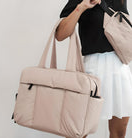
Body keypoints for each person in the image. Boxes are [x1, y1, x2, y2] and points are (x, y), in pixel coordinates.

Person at [55, 0, 132, 137]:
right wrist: (82, 7)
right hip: (93, 69)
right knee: (79, 129)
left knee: (120, 131)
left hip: (120, 67)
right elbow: (60, 35)